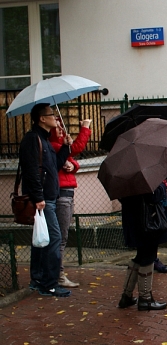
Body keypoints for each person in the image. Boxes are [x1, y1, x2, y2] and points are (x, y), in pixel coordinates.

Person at [20, 103, 73, 297]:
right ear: (42, 119)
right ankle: (49, 283)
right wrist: (39, 197)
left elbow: (54, 166)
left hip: (49, 197)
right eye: (52, 115)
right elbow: (31, 171)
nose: (56, 118)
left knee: (41, 240)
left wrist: (66, 147)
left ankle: (38, 279)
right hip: (43, 199)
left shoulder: (44, 140)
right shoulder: (33, 140)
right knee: (53, 238)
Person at [117, 179, 167, 311]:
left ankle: (126, 295)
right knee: (148, 256)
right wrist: (164, 186)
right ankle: (145, 299)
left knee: (140, 256)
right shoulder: (145, 174)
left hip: (133, 219)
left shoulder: (124, 176)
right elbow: (154, 196)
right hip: (147, 221)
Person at [49, 118, 92, 287]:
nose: (60, 129)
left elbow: (72, 159)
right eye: (57, 127)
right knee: (61, 237)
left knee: (60, 236)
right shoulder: (53, 146)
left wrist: (73, 165)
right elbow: (77, 148)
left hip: (66, 193)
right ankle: (58, 275)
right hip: (62, 195)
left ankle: (55, 274)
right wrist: (85, 128)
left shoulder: (58, 147)